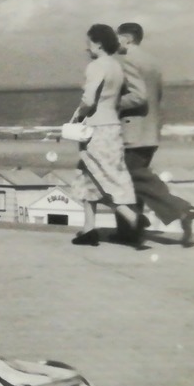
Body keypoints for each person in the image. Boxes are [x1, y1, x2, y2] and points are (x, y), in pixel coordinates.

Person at [116, 22, 194, 246]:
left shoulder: (127, 60)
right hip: (150, 130)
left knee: (133, 178)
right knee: (132, 182)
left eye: (117, 38)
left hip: (132, 131)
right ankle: (129, 233)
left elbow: (137, 97)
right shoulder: (153, 62)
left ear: (127, 39)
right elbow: (156, 97)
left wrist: (111, 103)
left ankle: (181, 209)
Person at [68, 23, 145, 248]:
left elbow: (89, 100)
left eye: (89, 43)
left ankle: (133, 219)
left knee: (100, 176)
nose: (88, 48)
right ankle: (89, 229)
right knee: (89, 174)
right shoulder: (117, 66)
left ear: (98, 43)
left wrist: (76, 117)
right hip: (112, 126)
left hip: (96, 129)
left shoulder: (96, 66)